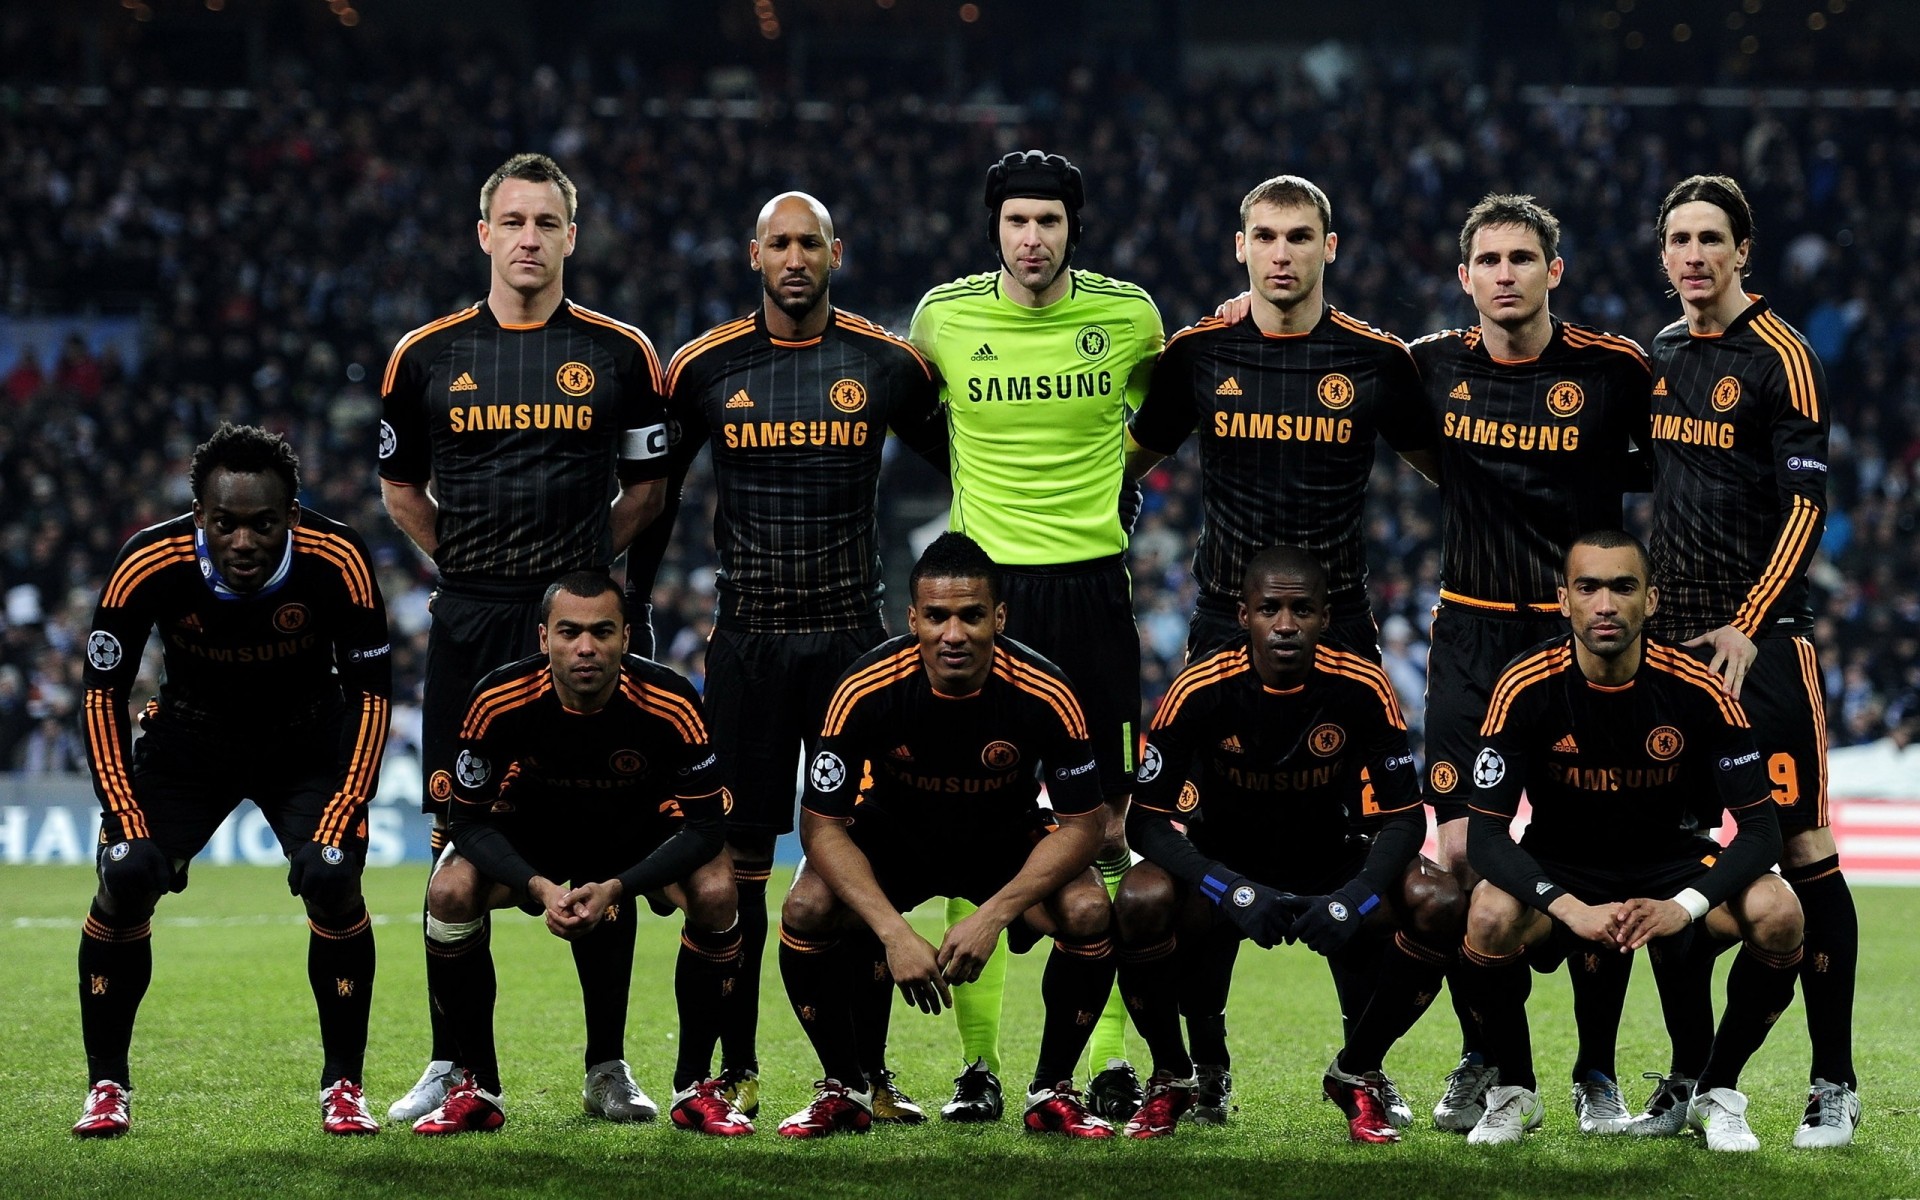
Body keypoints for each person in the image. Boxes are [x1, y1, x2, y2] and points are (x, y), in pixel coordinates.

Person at [377, 152, 671, 1123]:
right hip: (469, 627)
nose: (530, 239)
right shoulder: (424, 356)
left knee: (599, 847)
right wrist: (457, 563)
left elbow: (649, 487)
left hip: (576, 629)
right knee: (455, 850)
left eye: (547, 223)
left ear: (571, 237)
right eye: (513, 221)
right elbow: (399, 485)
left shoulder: (622, 354)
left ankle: (605, 1068)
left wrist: (579, 566)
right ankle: (459, 1067)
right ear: (484, 234)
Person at [656, 191, 947, 1124]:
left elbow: (971, 465)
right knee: (732, 866)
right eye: (778, 243)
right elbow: (658, 497)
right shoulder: (704, 367)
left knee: (857, 865)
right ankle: (731, 1067)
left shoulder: (886, 364)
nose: (793, 257)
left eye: (809, 243)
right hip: (746, 647)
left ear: (835, 251)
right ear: (753, 253)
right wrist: (631, 604)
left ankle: (863, 1073)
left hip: (853, 649)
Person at [909, 149, 1163, 1124]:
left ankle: (1102, 1059)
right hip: (988, 593)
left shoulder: (1128, 315)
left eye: (1049, 222)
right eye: (1016, 221)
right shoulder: (942, 316)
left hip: (1092, 596)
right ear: (993, 228)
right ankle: (977, 1067)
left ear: (1073, 230)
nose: (1031, 238)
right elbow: (910, 412)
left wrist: (1121, 478)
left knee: (1102, 831)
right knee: (970, 818)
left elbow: (1171, 406)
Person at [1407, 194, 1653, 1133]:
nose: (1504, 273)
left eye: (1522, 257)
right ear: (1463, 276)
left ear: (1556, 270)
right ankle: (1493, 1064)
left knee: (1601, 857)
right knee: (1464, 854)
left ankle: (1597, 1072)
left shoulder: (1615, 370)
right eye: (1488, 260)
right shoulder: (1427, 368)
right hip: (1470, 636)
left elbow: (1665, 464)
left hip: (1576, 642)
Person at [73, 423, 391, 1137]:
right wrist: (125, 818)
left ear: (293, 519)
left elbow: (372, 694)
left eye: (263, 524)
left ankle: (344, 1084)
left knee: (334, 880)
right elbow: (101, 693)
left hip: (306, 743)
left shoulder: (337, 556)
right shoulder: (147, 559)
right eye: (225, 524)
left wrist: (340, 816)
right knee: (123, 878)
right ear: (199, 519)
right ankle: (106, 1085)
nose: (243, 541)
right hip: (190, 743)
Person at [1458, 530, 1804, 1151]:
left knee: (1780, 912)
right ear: (1563, 600)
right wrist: (1567, 906)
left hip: (1671, 867)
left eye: (1623, 587)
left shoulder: (1699, 689)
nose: (1605, 604)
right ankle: (1514, 1089)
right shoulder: (1523, 684)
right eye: (1588, 588)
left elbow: (1760, 831)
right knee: (1487, 912)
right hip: (1562, 867)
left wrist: (1685, 905)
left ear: (1651, 600)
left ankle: (1714, 1088)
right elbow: (1485, 836)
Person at [774, 532, 1119, 1139]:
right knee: (806, 905)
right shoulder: (864, 687)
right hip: (895, 838)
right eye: (936, 616)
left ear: (999, 617)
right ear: (913, 619)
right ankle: (845, 1087)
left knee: (1090, 909)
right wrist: (894, 933)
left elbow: (1086, 825)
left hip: (1002, 839)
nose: (953, 634)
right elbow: (821, 825)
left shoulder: (1046, 690)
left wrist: (994, 915)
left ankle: (1051, 1091)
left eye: (971, 616)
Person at [1644, 174, 1857, 1148]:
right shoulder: (1663, 353)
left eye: (1709, 239)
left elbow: (1805, 504)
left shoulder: (1784, 357)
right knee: (1671, 867)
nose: (1692, 254)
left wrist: (1748, 622)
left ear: (1742, 253)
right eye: (1678, 238)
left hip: (1764, 653)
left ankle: (1834, 1082)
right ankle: (1693, 1077)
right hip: (1673, 656)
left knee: (1808, 857)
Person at [1114, 546, 1462, 1142]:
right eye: (1269, 608)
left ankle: (1359, 1069)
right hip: (1225, 866)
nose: (1284, 624)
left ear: (1326, 618)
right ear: (1243, 615)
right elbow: (1144, 821)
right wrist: (1230, 890)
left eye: (1301, 609)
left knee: (1442, 901)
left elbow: (1403, 817)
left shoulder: (1361, 684)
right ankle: (1175, 1076)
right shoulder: (1199, 688)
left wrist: (1353, 898)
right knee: (1140, 899)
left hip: (1333, 861)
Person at [410, 572, 748, 1136]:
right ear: (544, 638)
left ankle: (693, 1086)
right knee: (447, 890)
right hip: (534, 837)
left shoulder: (671, 698)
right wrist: (539, 885)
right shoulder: (498, 697)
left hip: (634, 837)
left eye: (601, 632)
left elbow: (706, 827)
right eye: (569, 632)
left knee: (716, 888)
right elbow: (466, 821)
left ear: (626, 638)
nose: (585, 647)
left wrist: (617, 886)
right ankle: (478, 1087)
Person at [1127, 174, 1438, 660]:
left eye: (1299, 236)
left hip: (1336, 616)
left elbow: (1450, 473)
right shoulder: (1197, 353)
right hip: (1226, 614)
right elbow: (1125, 460)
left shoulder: (1378, 360)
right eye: (1265, 236)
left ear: (1329, 246)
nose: (1281, 253)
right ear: (1241, 246)